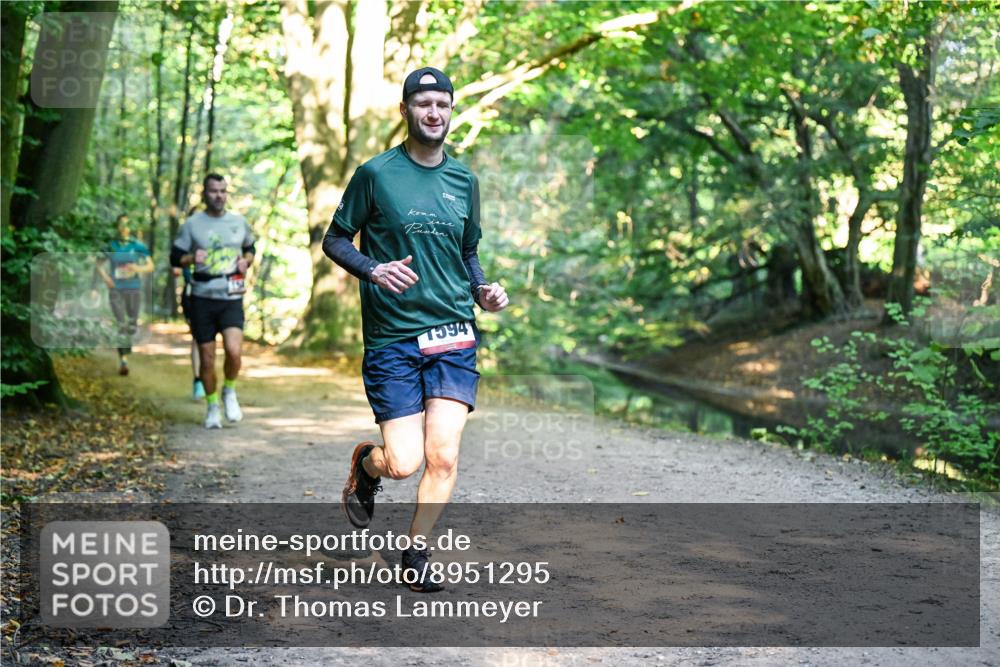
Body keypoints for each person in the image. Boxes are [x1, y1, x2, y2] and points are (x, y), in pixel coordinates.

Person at [325, 67, 509, 592]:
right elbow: (335, 239)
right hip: (393, 338)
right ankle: (367, 466)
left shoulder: (464, 181)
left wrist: (483, 290)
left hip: (453, 333)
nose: (434, 113)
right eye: (424, 104)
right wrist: (372, 269)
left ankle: (416, 552)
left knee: (443, 455)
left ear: (451, 111)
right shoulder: (376, 174)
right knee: (404, 463)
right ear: (405, 110)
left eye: (442, 105)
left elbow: (467, 253)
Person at [170, 174, 255, 429]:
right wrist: (190, 258)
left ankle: (229, 390)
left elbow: (250, 248)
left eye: (223, 191)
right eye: (214, 191)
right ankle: (212, 406)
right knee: (206, 359)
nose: (219, 195)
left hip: (231, 296)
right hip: (202, 297)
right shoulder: (192, 225)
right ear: (204, 193)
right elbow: (175, 257)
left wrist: (246, 261)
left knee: (234, 351)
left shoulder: (238, 222)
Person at [96, 214, 152, 376]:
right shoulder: (111, 245)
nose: (124, 228)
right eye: (121, 224)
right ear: (117, 227)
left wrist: (137, 268)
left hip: (133, 288)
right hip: (116, 289)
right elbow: (98, 264)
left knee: (132, 323)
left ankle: (126, 347)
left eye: (127, 225)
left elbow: (150, 266)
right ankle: (124, 359)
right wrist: (106, 278)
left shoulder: (137, 245)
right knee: (121, 322)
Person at [175, 265, 206, 399]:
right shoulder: (188, 252)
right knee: (198, 338)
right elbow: (176, 268)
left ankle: (207, 377)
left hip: (221, 298)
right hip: (193, 295)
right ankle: (198, 380)